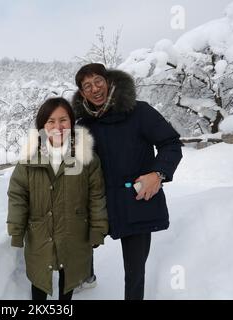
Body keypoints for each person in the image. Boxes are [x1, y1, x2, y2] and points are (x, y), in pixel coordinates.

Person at [72, 63, 183, 300]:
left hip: (137, 198)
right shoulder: (83, 125)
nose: (95, 89)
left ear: (109, 81)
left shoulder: (139, 112)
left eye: (98, 81)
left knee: (134, 270)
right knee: (78, 241)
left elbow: (171, 143)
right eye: (87, 86)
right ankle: (86, 277)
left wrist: (158, 174)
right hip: (99, 202)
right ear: (82, 93)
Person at [7, 97, 109, 300]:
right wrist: (16, 231)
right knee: (39, 280)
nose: (57, 127)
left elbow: (96, 196)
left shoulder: (86, 158)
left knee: (68, 279)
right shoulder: (29, 159)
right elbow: (18, 196)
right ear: (42, 126)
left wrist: (98, 230)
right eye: (50, 121)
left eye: (63, 120)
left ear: (71, 122)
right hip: (40, 233)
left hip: (74, 232)